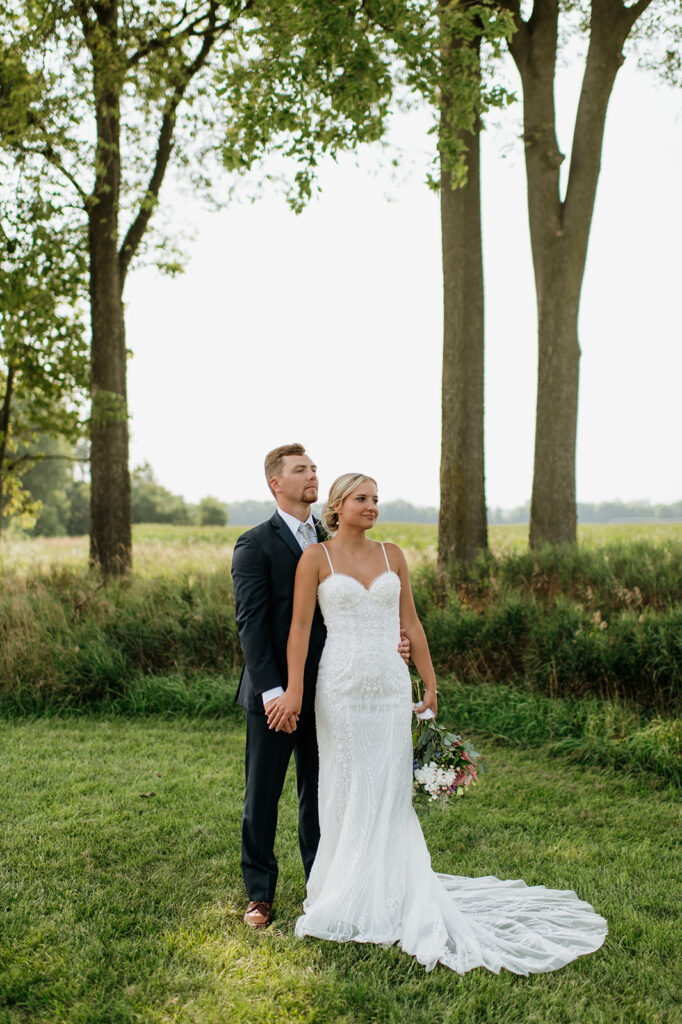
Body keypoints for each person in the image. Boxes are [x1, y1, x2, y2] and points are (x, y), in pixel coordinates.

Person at [282, 472, 608, 974]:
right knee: (344, 788)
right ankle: (343, 890)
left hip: (391, 687)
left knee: (390, 790)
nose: (372, 506)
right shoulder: (315, 559)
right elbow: (301, 628)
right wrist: (296, 689)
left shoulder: (393, 554)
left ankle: (396, 887)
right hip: (340, 691)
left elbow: (410, 623)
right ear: (338, 505)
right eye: (362, 499)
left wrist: (430, 682)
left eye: (376, 499)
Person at [231, 446, 410, 929]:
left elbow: (357, 608)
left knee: (324, 790)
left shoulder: (331, 541)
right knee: (262, 795)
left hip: (334, 691)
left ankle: (323, 881)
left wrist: (392, 645)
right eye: (301, 470)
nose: (312, 475)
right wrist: (275, 693)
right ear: (276, 483)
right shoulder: (254, 544)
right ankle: (260, 892)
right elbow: (251, 626)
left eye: (313, 468)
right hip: (275, 695)